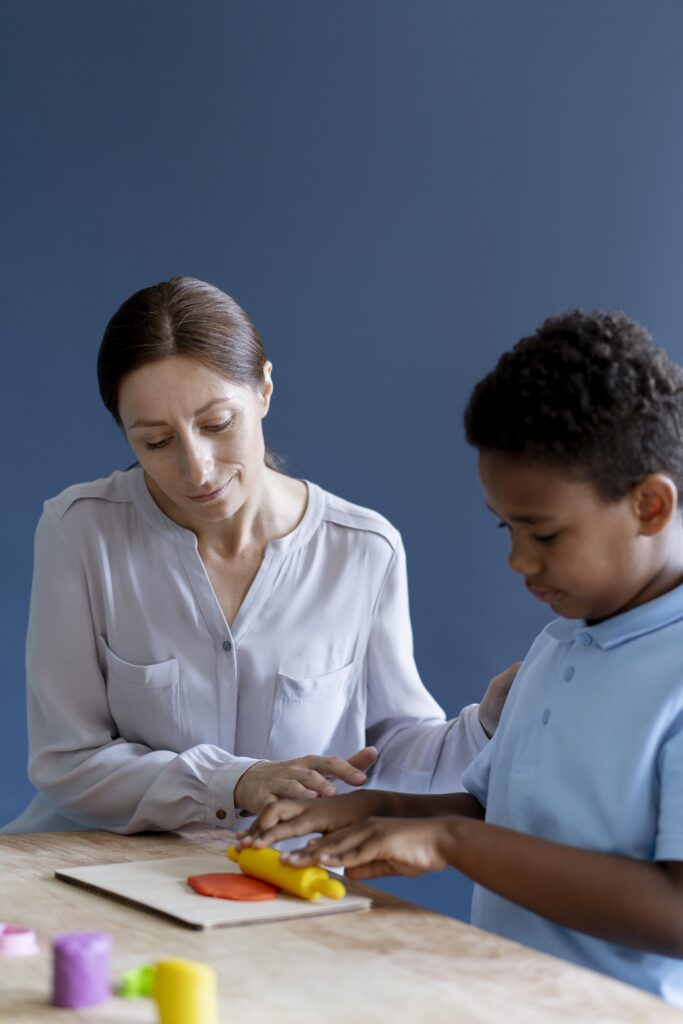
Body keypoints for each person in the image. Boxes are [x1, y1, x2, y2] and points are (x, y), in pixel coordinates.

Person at [239, 309, 683, 1006]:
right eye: (504, 527)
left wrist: (450, 844)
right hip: (495, 997)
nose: (516, 560)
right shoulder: (561, 637)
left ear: (649, 505)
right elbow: (491, 811)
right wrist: (371, 809)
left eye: (541, 532)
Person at [2, 276, 516, 836]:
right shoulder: (79, 529)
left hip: (269, 890)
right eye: (155, 441)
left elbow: (391, 752)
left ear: (264, 390)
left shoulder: (364, 549)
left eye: (218, 425)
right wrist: (235, 782)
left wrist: (484, 726)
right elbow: (66, 761)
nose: (196, 469)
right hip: (85, 881)